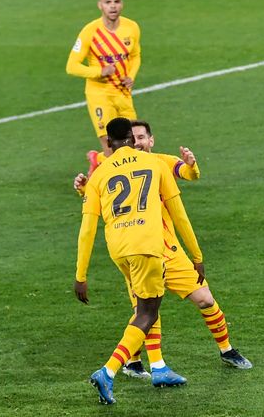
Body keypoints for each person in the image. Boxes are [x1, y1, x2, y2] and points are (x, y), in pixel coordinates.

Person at [74, 120, 252, 376]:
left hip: (168, 249)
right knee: (145, 311)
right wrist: (83, 190)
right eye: (134, 138)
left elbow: (187, 173)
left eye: (142, 137)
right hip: (143, 246)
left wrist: (191, 165)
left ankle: (226, 349)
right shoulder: (114, 169)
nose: (138, 142)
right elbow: (108, 200)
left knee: (203, 299)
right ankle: (146, 365)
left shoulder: (159, 162)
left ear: (151, 140)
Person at [75, 118, 203, 404]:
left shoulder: (99, 173)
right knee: (147, 312)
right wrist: (196, 256)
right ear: (132, 139)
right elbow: (178, 214)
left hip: (118, 249)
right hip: (147, 246)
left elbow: (87, 229)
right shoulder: (154, 164)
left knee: (143, 307)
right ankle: (108, 371)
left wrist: (80, 275)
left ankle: (158, 367)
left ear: (108, 143)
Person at [66, 0, 141, 174]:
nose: (113, 6)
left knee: (134, 141)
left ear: (122, 4)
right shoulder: (90, 32)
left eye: (116, 2)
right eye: (108, 2)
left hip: (123, 93)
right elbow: (72, 66)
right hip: (99, 93)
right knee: (110, 145)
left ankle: (96, 160)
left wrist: (131, 76)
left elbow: (136, 56)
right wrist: (100, 71)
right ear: (100, 6)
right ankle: (111, 185)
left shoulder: (131, 27)